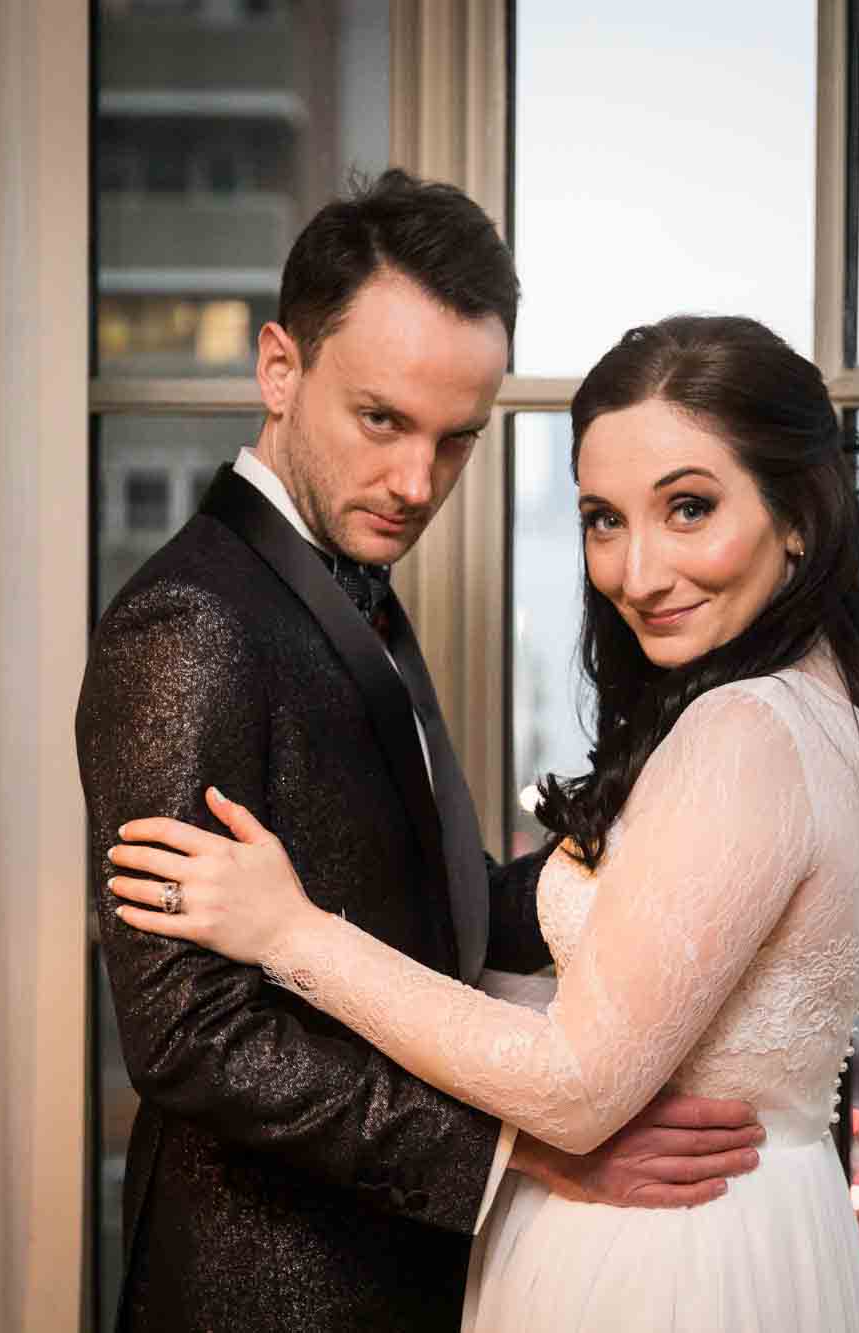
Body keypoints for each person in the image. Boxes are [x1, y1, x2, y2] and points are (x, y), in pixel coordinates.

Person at [109, 314, 859, 1331]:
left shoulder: (743, 728)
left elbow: (575, 1087)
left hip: (663, 1262)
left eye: (687, 508)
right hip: (743, 1230)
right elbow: (630, 993)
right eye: (604, 519)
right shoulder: (829, 702)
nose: (636, 573)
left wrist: (291, 933)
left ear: (797, 514)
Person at [75, 174, 764, 1333]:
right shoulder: (191, 622)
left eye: (456, 441)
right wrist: (518, 1148)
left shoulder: (348, 587)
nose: (415, 483)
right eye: (382, 419)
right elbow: (187, 1036)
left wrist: (640, 867)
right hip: (265, 1283)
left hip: (393, 1266)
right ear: (279, 370)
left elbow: (417, 904)